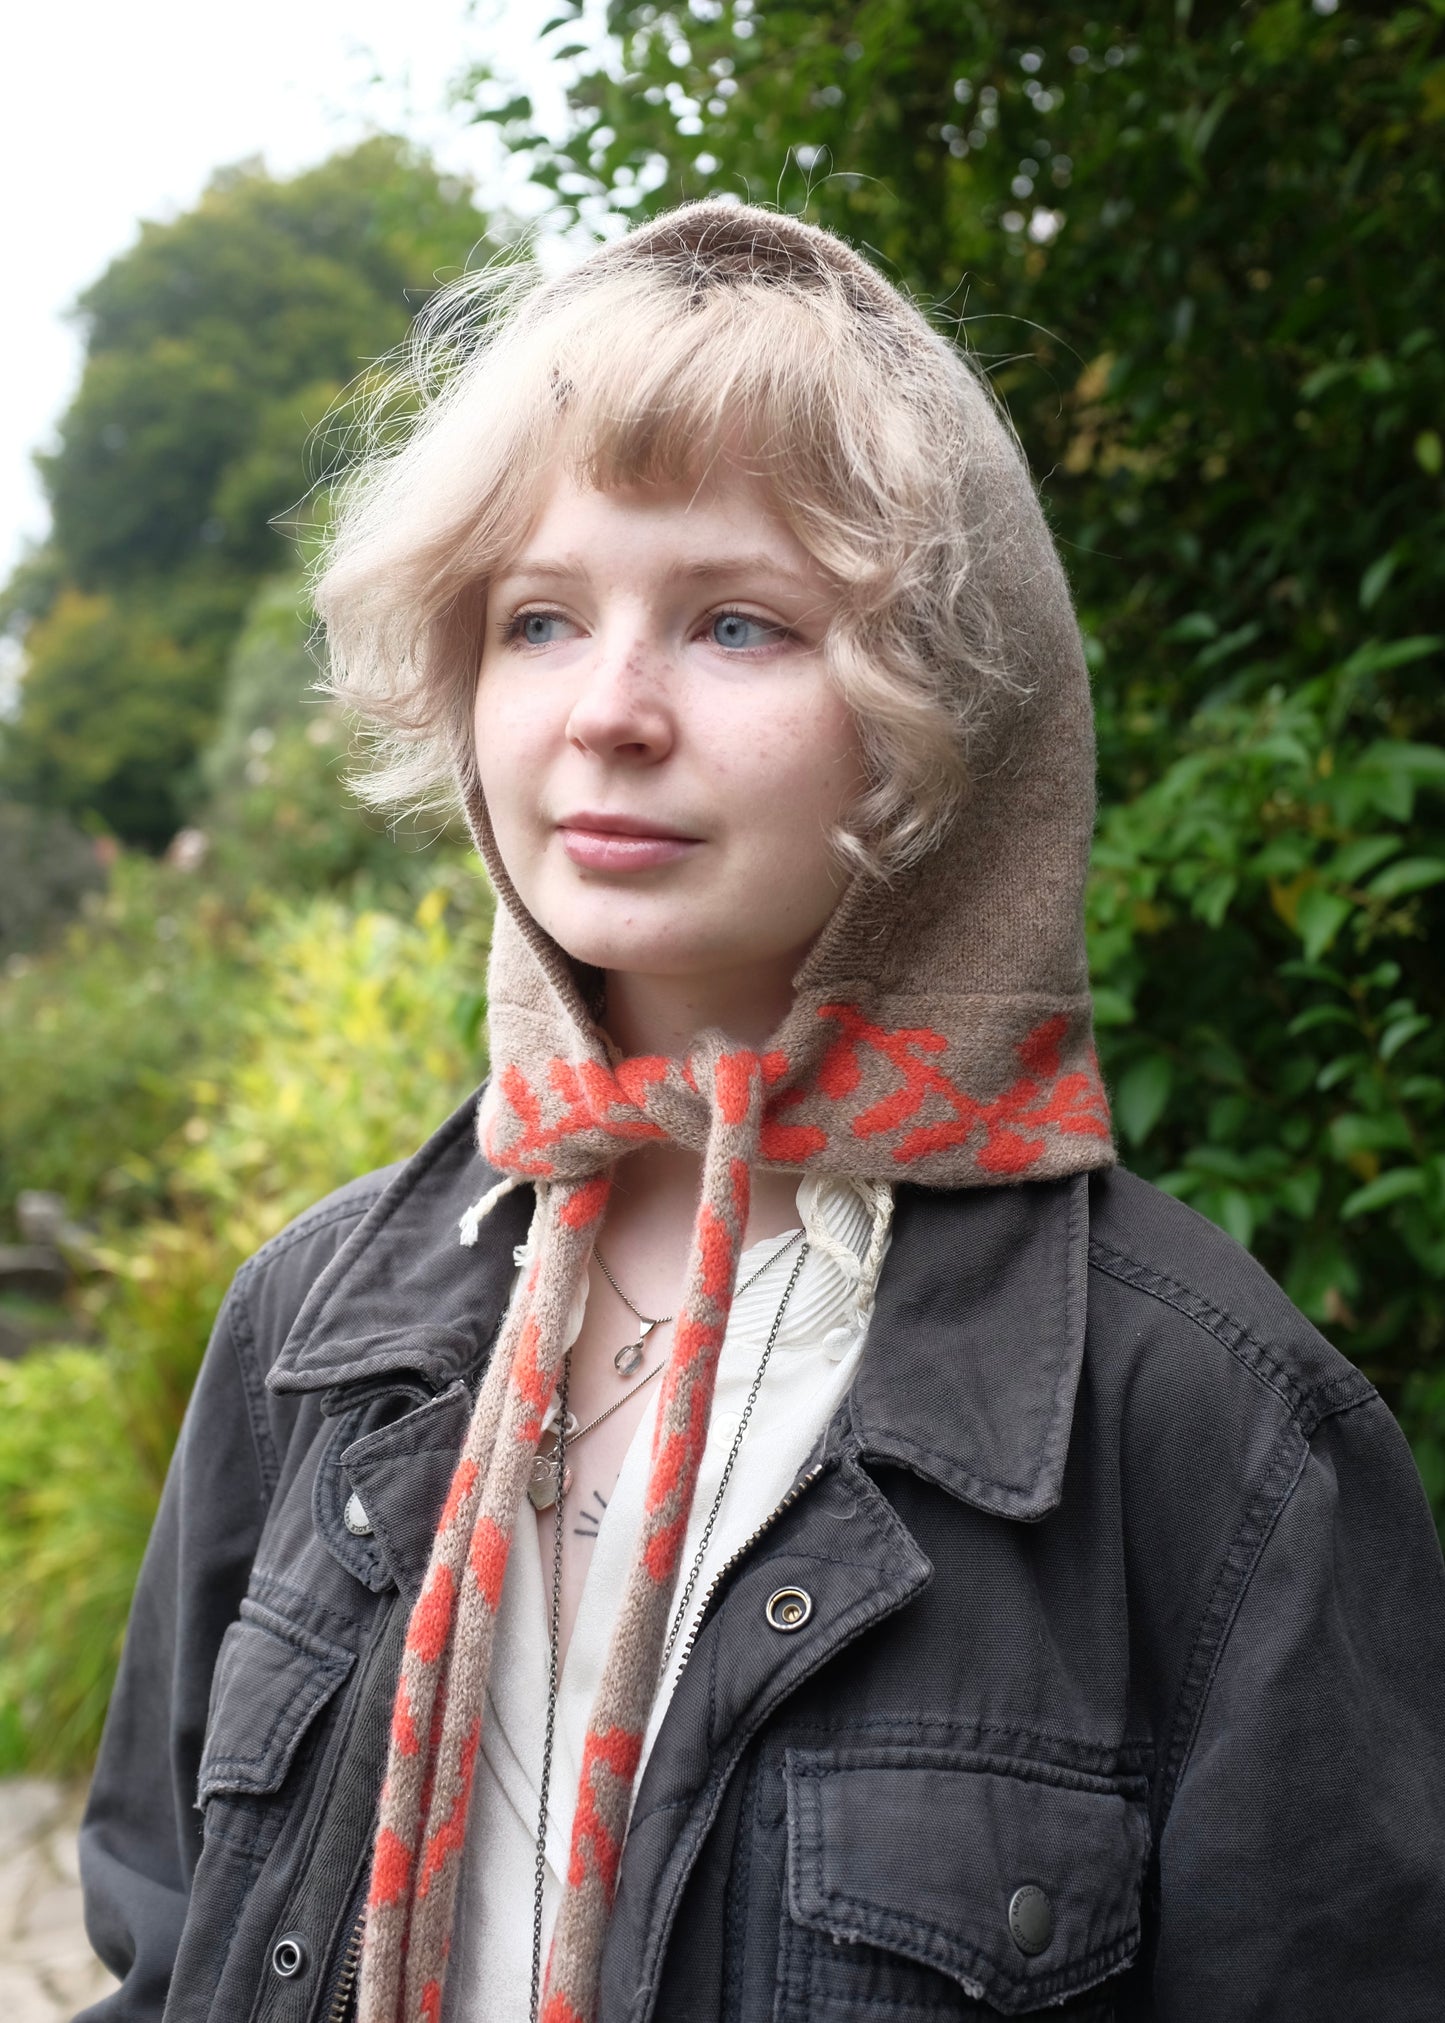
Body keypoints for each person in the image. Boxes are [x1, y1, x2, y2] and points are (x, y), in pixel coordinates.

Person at [77, 202, 1445, 2023]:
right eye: (539, 618)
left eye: (737, 623)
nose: (608, 715)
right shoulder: (311, 1327)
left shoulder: (1200, 1421)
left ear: (939, 707)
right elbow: (168, 1949)